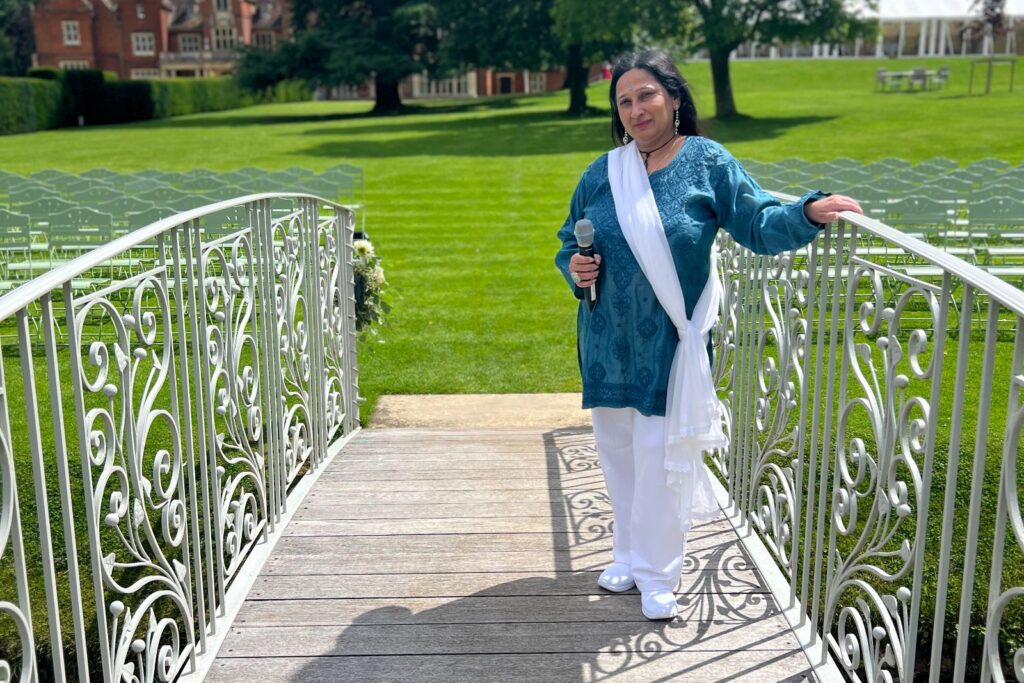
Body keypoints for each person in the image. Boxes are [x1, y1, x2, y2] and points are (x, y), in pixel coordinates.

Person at [554, 50, 861, 621]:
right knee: (618, 452)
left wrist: (808, 212)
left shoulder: (705, 162)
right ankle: (626, 552)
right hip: (604, 339)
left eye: (646, 94)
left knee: (659, 455)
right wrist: (573, 267)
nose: (636, 108)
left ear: (673, 98)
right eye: (624, 100)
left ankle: (657, 572)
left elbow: (755, 221)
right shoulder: (603, 172)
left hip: (670, 343)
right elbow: (569, 241)